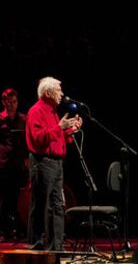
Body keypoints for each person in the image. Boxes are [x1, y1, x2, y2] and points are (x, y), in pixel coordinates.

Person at [26, 76, 83, 251]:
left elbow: (57, 138)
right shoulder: (36, 111)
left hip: (57, 163)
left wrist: (71, 130)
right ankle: (37, 244)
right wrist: (59, 127)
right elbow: (39, 139)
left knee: (58, 205)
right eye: (59, 90)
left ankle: (56, 246)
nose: (62, 94)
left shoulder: (52, 111)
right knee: (42, 205)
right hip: (42, 162)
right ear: (48, 92)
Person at [0, 88, 29, 241]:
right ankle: (2, 232)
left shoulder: (24, 119)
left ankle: (19, 232)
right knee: (2, 200)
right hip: (2, 165)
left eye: (14, 102)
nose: (11, 105)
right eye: (8, 102)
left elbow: (29, 141)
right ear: (3, 102)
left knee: (19, 200)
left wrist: (28, 158)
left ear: (17, 102)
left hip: (19, 165)